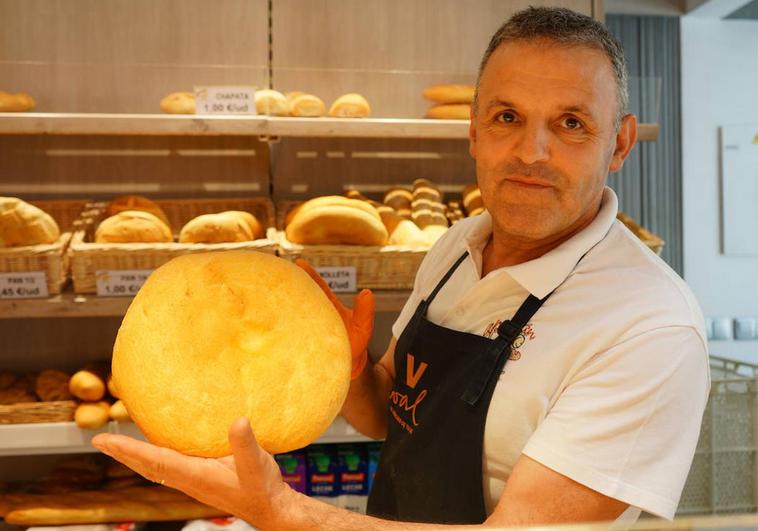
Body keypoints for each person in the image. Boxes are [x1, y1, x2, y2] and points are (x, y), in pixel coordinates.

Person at [93, 6, 709, 529]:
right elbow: (389, 413)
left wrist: (288, 513)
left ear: (621, 143)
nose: (531, 151)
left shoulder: (648, 328)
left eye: (571, 123)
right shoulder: (454, 249)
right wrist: (354, 371)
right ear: (473, 131)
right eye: (507, 118)